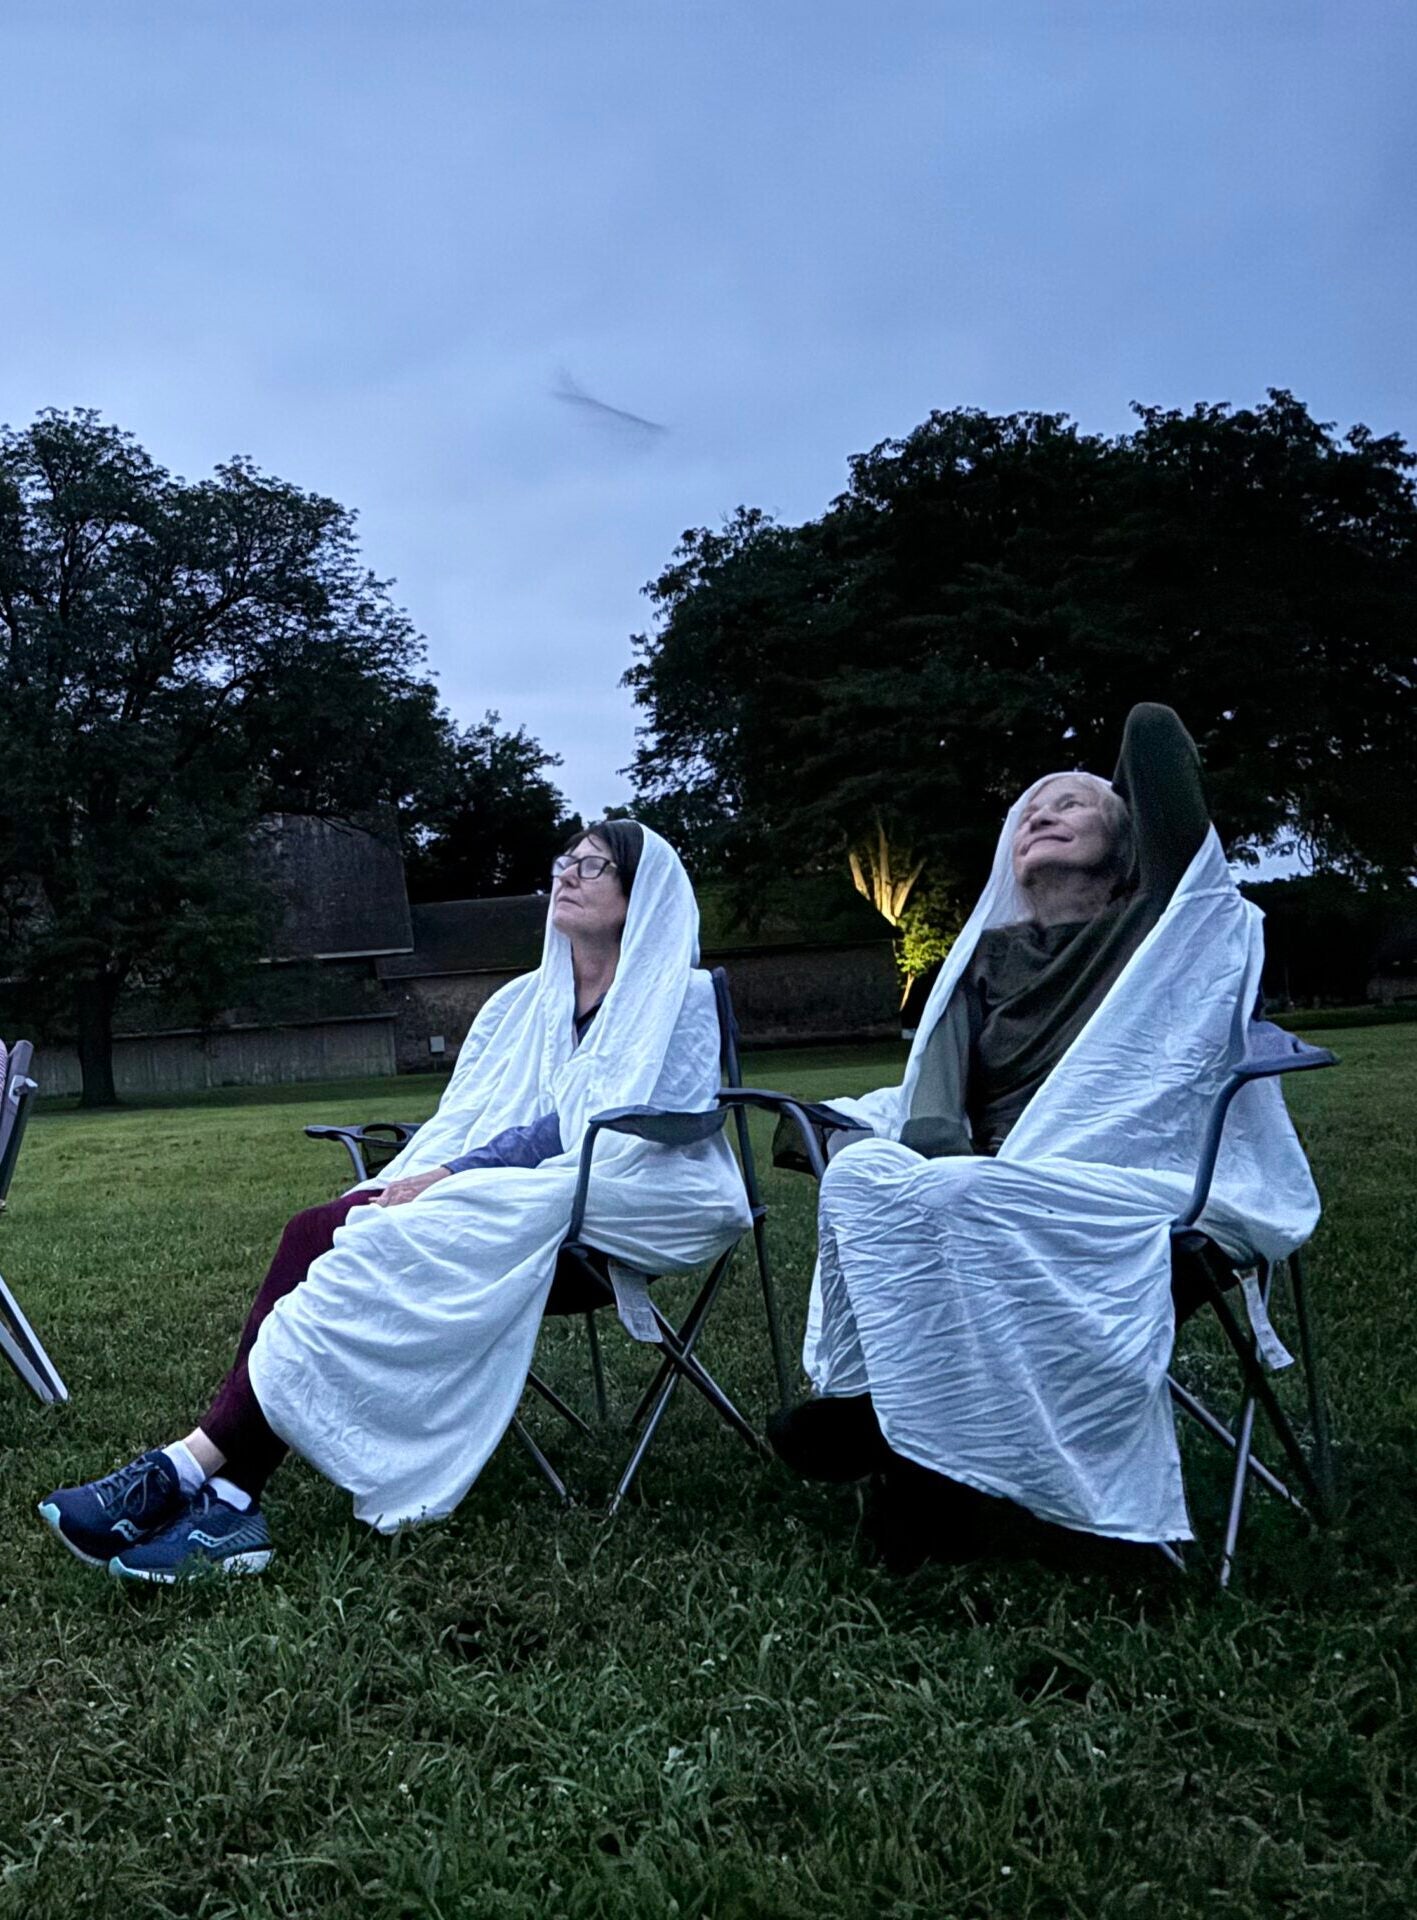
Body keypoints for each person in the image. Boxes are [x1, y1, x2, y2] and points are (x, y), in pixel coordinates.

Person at [40, 822, 750, 1581]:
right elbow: (481, 1106)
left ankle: (199, 1475)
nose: (567, 875)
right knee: (321, 1226)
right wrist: (440, 1167)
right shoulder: (526, 1004)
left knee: (372, 1237)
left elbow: (618, 1116)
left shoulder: (675, 994)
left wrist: (455, 1177)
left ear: (638, 893)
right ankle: (224, 1492)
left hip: (627, 1193)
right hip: (513, 1185)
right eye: (563, 861)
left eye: (592, 865)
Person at [770, 704, 1321, 1559]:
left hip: (1133, 1179)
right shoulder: (981, 960)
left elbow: (1152, 739)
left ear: (1127, 832)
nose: (1041, 811)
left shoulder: (1167, 926)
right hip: (986, 1179)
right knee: (869, 1175)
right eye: (1028, 809)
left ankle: (896, 1438)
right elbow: (933, 1110)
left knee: (956, 1195)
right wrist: (931, 1167)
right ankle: (910, 1436)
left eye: (1072, 801)